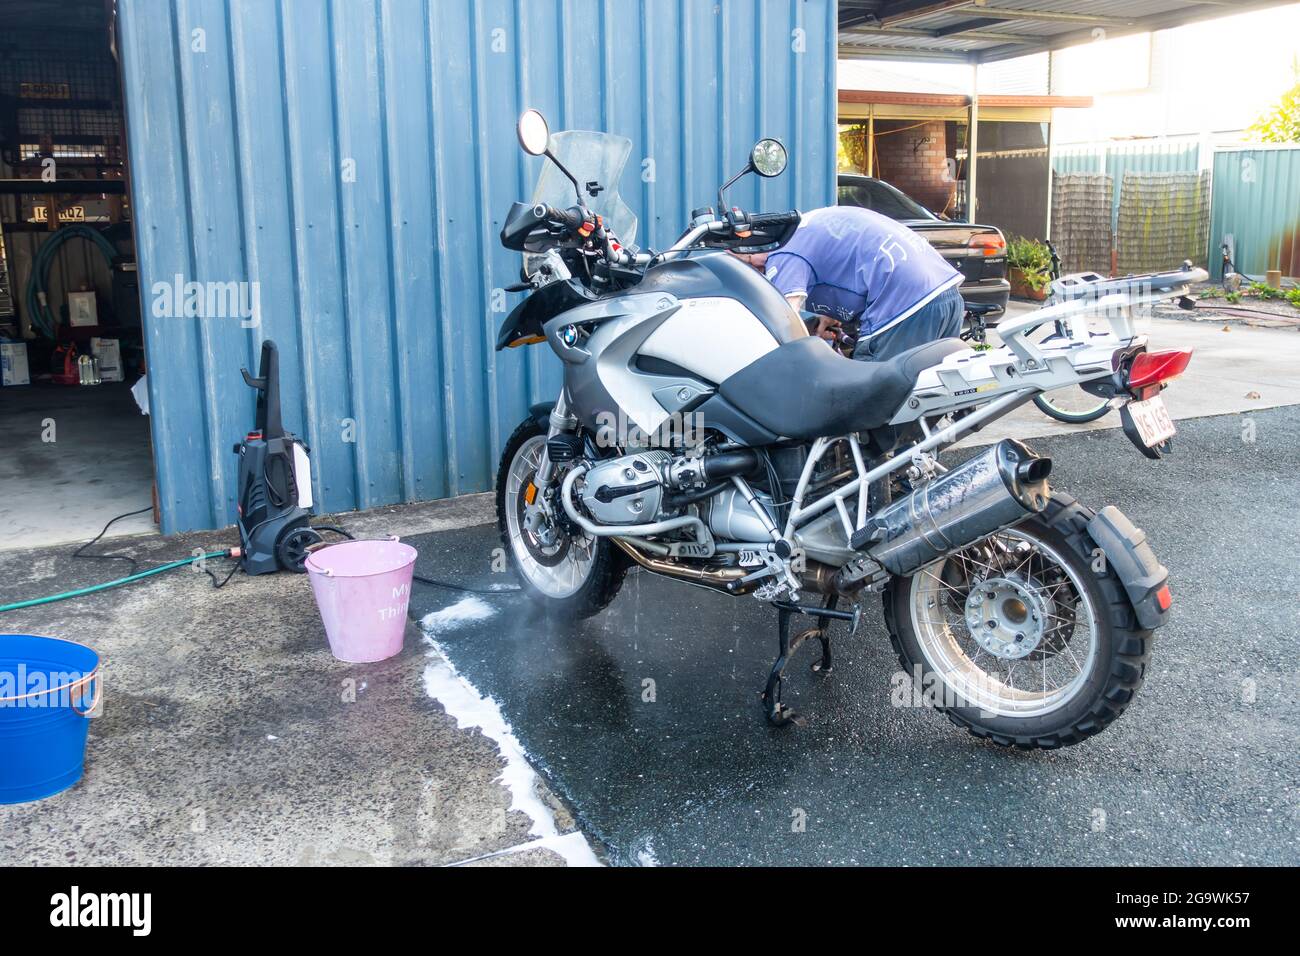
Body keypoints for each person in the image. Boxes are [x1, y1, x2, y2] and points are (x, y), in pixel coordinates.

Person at [735, 205, 965, 362]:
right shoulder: (807, 225)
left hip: (904, 307)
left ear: (756, 246)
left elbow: (785, 325)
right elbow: (845, 259)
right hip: (946, 292)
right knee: (922, 398)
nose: (757, 273)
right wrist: (827, 317)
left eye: (747, 263)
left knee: (870, 401)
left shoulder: (784, 254)